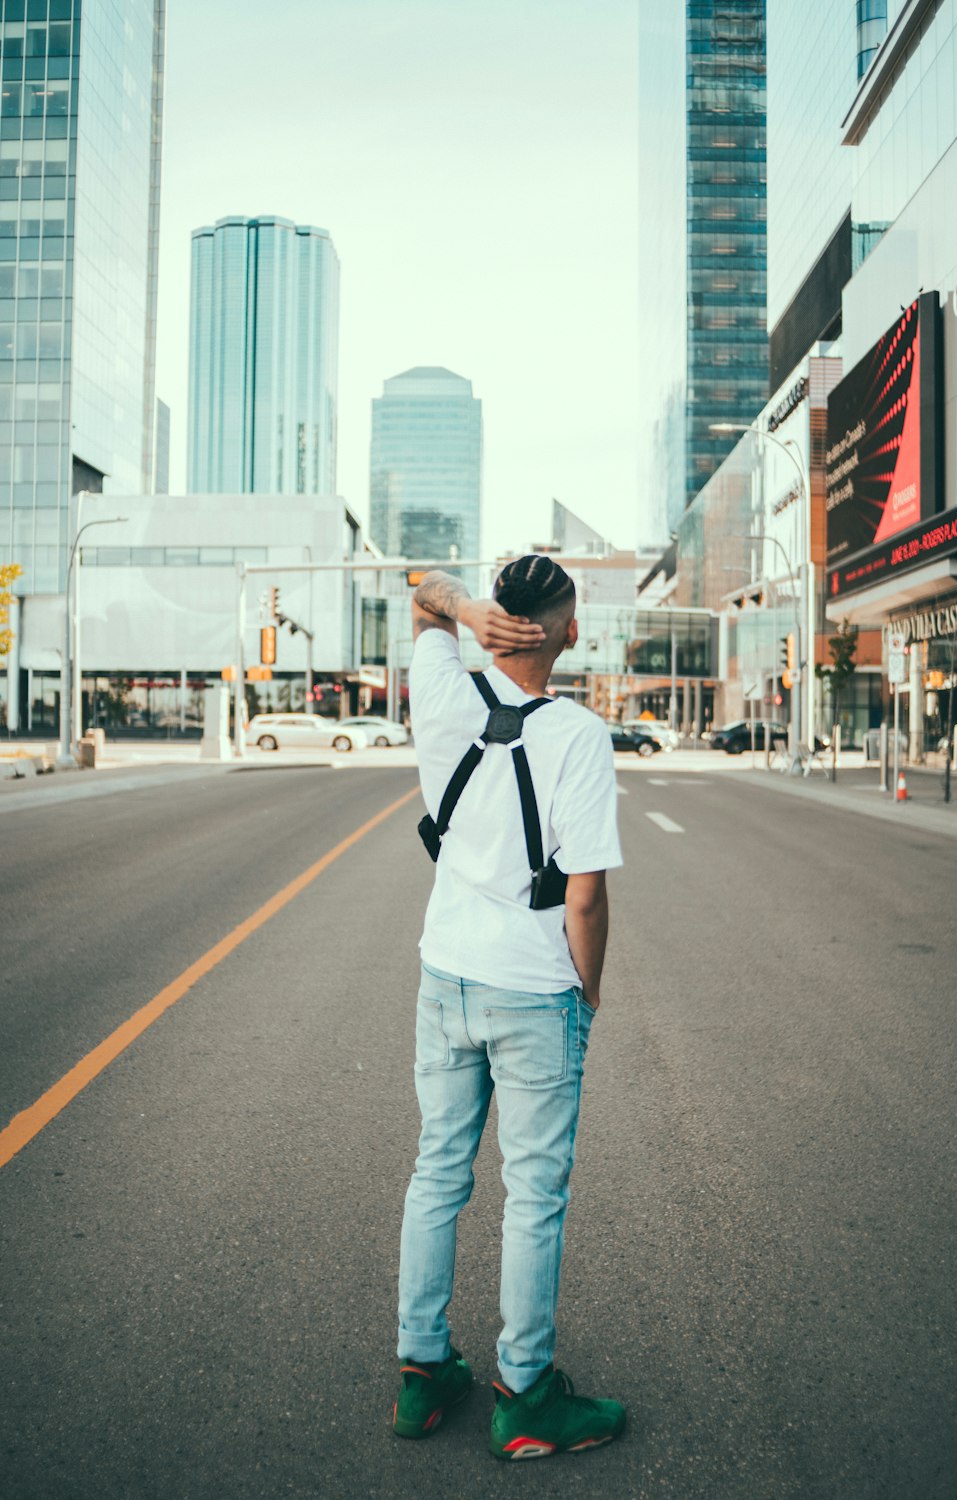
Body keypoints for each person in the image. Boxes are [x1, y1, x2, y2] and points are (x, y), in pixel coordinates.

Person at [392, 555, 626, 1461]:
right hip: (533, 991)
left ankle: (422, 1373)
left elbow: (422, 592)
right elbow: (586, 897)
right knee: (533, 1196)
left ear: (499, 620)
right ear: (567, 630)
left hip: (442, 975)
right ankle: (524, 1394)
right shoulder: (578, 735)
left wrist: (460, 609)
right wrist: (590, 992)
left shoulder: (444, 688)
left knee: (437, 1174)